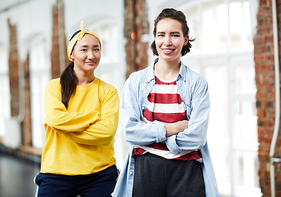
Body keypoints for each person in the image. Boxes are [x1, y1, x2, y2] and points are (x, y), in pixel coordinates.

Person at [112, 8, 219, 197]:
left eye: (175, 35)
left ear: (185, 39)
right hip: (146, 169)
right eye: (161, 35)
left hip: (187, 171)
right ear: (154, 37)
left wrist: (150, 132)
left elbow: (196, 138)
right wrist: (174, 128)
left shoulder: (197, 84)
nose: (167, 42)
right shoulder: (135, 82)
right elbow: (131, 132)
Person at [35, 21, 119, 197]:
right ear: (71, 53)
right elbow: (56, 120)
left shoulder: (109, 91)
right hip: (56, 172)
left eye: (96, 49)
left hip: (100, 173)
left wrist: (64, 130)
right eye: (84, 49)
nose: (91, 55)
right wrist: (93, 116)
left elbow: (106, 132)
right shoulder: (54, 87)